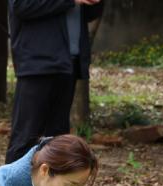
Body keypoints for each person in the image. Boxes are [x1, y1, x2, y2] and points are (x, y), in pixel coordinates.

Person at [5, 0, 102, 164]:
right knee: (25, 138)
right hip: (37, 63)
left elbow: (89, 14)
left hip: (69, 62)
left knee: (58, 141)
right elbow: (21, 7)